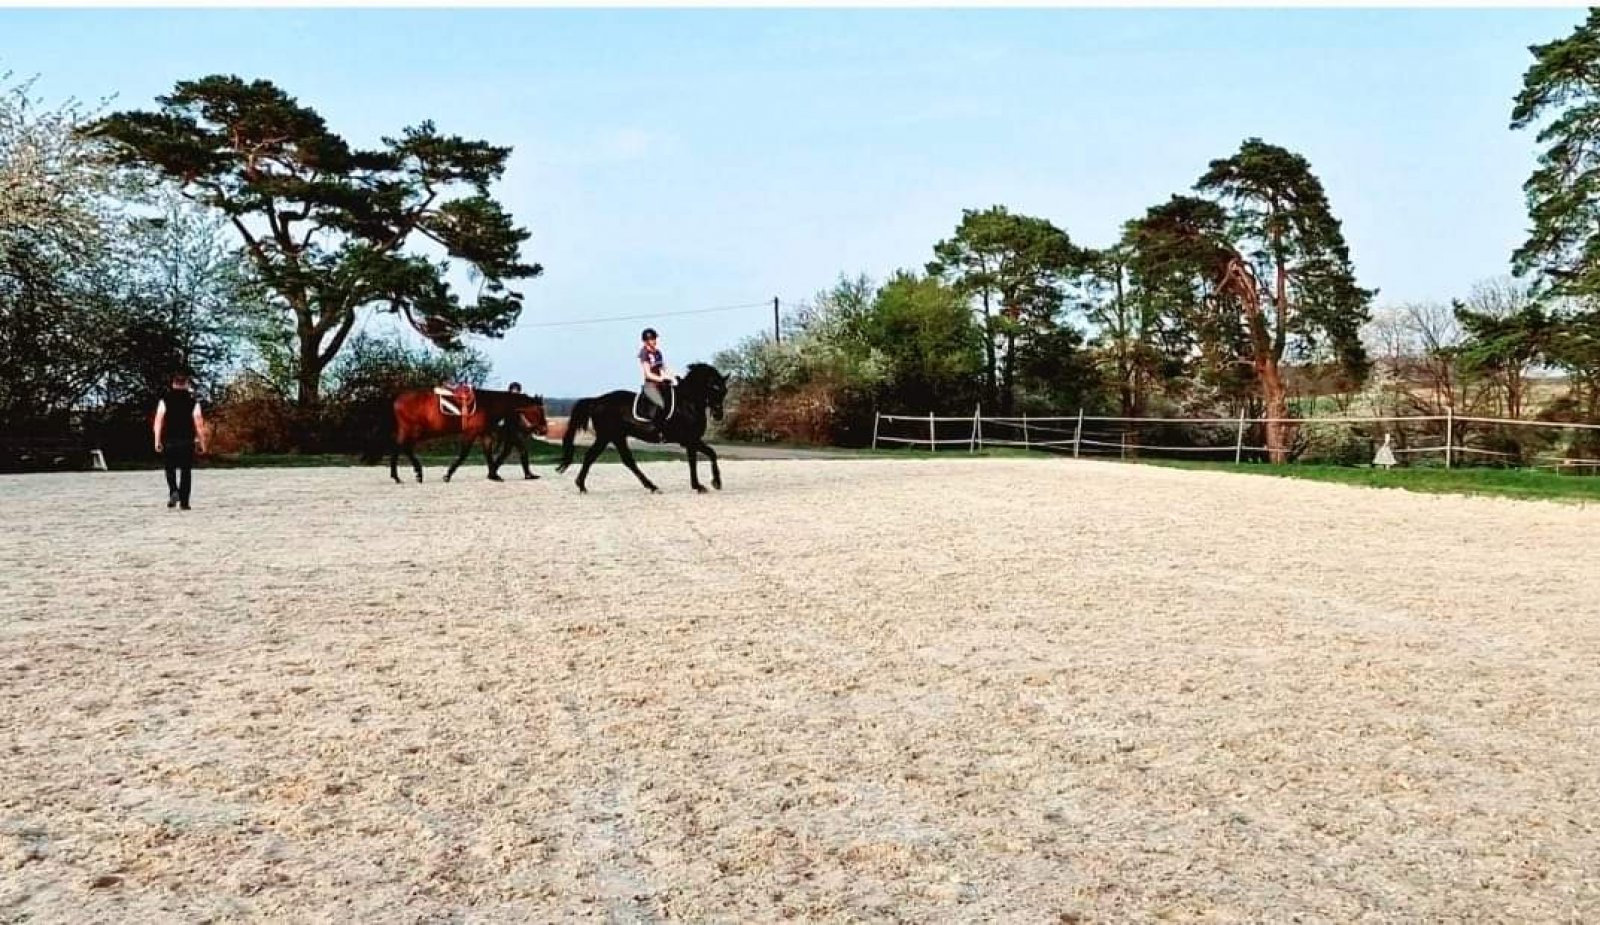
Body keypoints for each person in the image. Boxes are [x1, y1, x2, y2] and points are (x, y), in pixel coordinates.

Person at [153, 371, 206, 510]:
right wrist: (202, 442)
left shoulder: (164, 401)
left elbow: (158, 421)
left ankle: (173, 491)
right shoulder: (193, 402)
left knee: (169, 468)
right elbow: (199, 424)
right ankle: (184, 502)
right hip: (186, 440)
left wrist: (157, 440)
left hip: (169, 439)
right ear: (187, 385)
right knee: (186, 471)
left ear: (173, 384)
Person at [637, 328, 675, 430]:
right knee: (661, 405)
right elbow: (648, 374)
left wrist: (673, 376)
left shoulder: (657, 352)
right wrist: (661, 379)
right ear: (646, 341)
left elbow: (663, 367)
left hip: (661, 385)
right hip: (650, 386)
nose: (654, 341)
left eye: (655, 338)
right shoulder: (644, 353)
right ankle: (659, 430)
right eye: (652, 339)